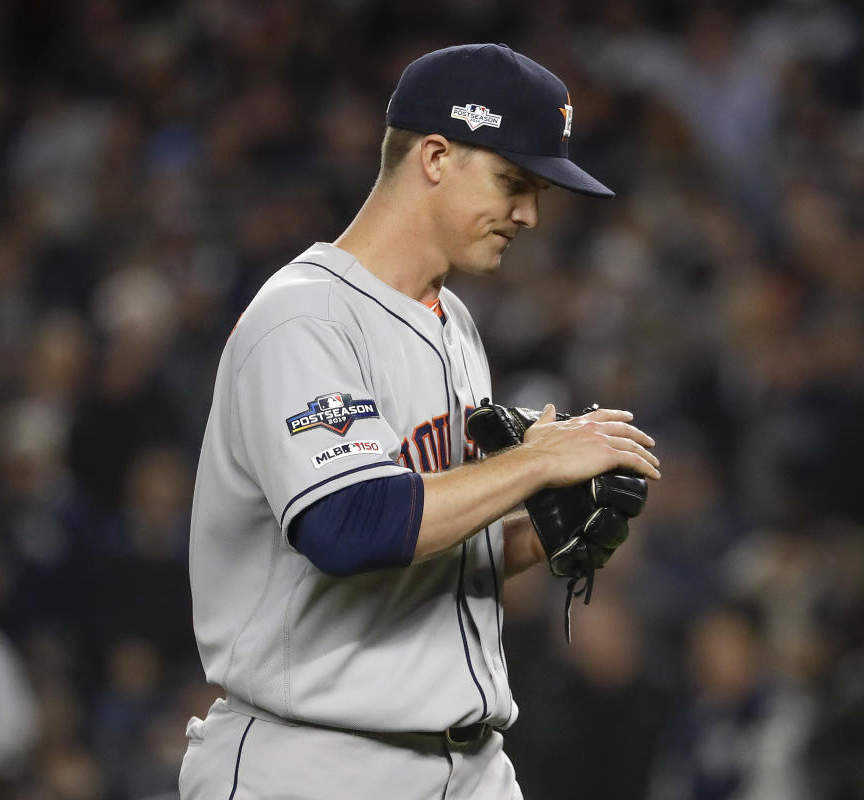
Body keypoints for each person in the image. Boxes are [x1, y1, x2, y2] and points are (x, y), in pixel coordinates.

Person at [178, 43, 660, 799]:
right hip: (317, 765)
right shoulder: (305, 317)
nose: (530, 214)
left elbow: (426, 552)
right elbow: (349, 525)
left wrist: (531, 533)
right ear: (435, 155)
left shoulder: (452, 322)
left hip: (468, 765)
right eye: (513, 182)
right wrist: (535, 463)